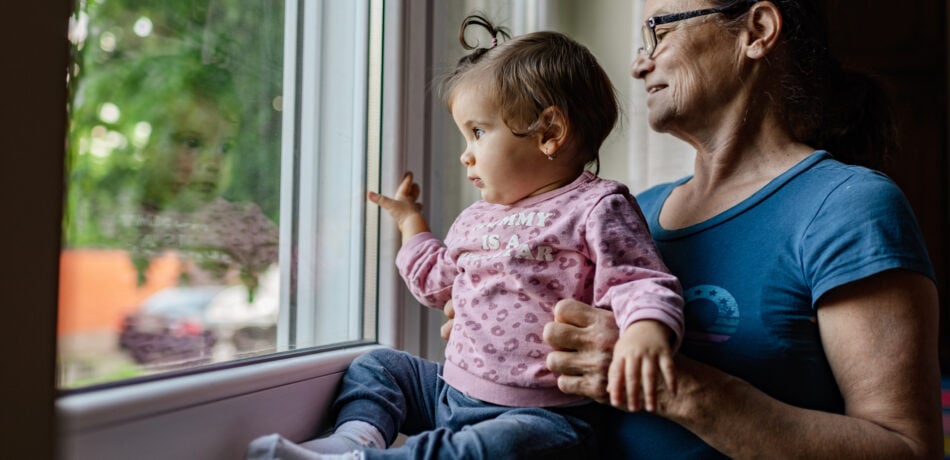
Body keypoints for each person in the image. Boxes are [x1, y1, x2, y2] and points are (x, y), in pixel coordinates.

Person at [497, 0, 940, 458]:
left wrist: (673, 386)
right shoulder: (626, 216)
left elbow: (906, 449)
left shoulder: (848, 207)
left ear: (757, 31)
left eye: (658, 31)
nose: (638, 64)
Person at [246, 14, 684, 460]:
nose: (465, 154)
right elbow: (437, 281)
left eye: (477, 132)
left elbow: (638, 281)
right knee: (377, 366)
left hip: (541, 417)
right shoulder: (478, 217)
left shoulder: (597, 206)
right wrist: (410, 222)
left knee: (486, 448)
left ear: (549, 133)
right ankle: (355, 438)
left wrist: (645, 332)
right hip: (449, 392)